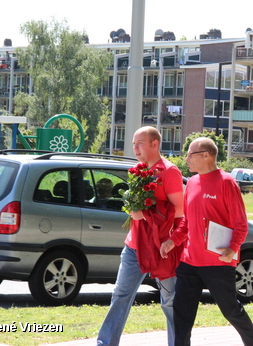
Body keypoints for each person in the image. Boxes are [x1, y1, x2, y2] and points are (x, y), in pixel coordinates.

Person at [160, 137, 253, 346]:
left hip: (217, 262)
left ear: (206, 155)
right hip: (190, 262)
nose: (186, 158)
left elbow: (241, 224)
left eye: (191, 154)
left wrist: (233, 248)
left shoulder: (226, 182)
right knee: (182, 314)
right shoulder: (192, 183)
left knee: (231, 311)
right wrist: (173, 241)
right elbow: (187, 223)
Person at [97, 126, 184, 346]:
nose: (135, 147)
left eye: (139, 143)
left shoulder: (170, 171)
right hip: (135, 247)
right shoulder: (137, 170)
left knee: (170, 302)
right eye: (134, 143)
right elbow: (133, 208)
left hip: (161, 248)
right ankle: (105, 343)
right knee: (120, 296)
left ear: (155, 144)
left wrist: (145, 214)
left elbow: (180, 211)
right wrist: (133, 211)